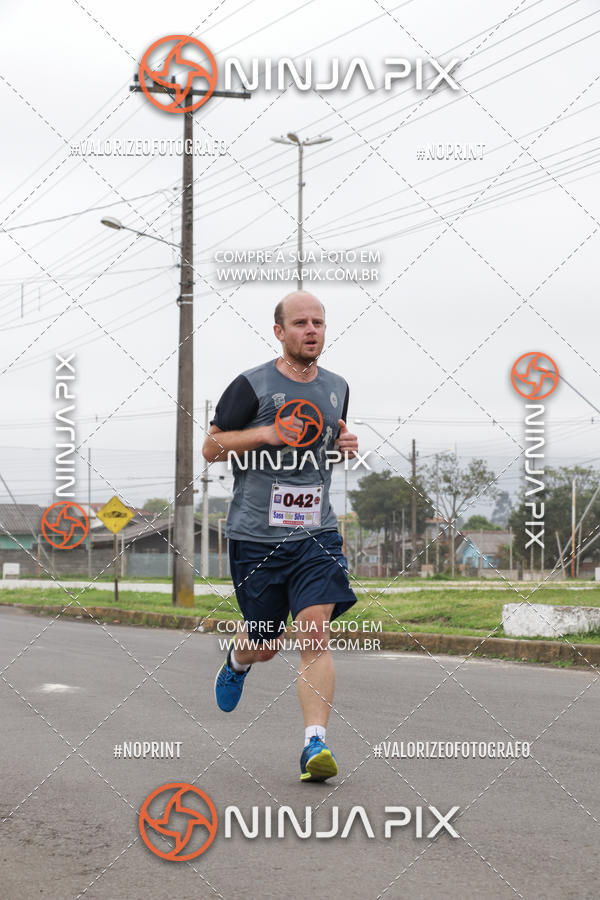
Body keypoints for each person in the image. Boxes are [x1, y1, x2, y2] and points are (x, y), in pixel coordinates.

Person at [202, 290, 359, 782]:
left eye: (318, 322)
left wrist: (346, 444)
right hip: (257, 539)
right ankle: (238, 659)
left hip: (317, 534)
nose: (311, 330)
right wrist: (267, 434)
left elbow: (329, 440)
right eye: (300, 323)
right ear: (279, 332)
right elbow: (211, 446)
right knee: (266, 643)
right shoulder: (251, 385)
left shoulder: (338, 386)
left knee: (314, 630)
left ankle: (315, 745)